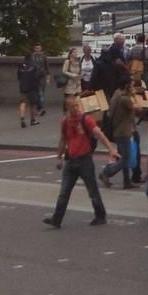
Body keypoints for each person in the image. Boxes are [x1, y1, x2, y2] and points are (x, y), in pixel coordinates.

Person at [42, 95, 115, 229]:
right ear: (67, 107)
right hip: (70, 161)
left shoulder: (85, 119)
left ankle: (100, 216)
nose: (76, 108)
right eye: (73, 106)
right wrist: (59, 157)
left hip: (85, 160)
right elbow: (63, 139)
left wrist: (111, 149)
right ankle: (56, 219)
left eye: (77, 105)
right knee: (64, 192)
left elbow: (99, 134)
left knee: (92, 190)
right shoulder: (65, 121)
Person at [99, 81, 139, 189]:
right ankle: (106, 172)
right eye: (131, 85)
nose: (133, 87)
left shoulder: (117, 94)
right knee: (125, 159)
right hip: (123, 132)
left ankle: (127, 182)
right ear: (127, 87)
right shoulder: (125, 99)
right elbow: (138, 108)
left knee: (123, 157)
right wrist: (135, 95)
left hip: (119, 131)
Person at [17, 44, 47, 128]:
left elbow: (18, 76)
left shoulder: (21, 65)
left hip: (23, 87)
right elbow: (39, 75)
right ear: (31, 57)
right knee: (32, 104)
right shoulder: (34, 66)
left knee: (23, 103)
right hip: (32, 87)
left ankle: (22, 118)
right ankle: (33, 120)